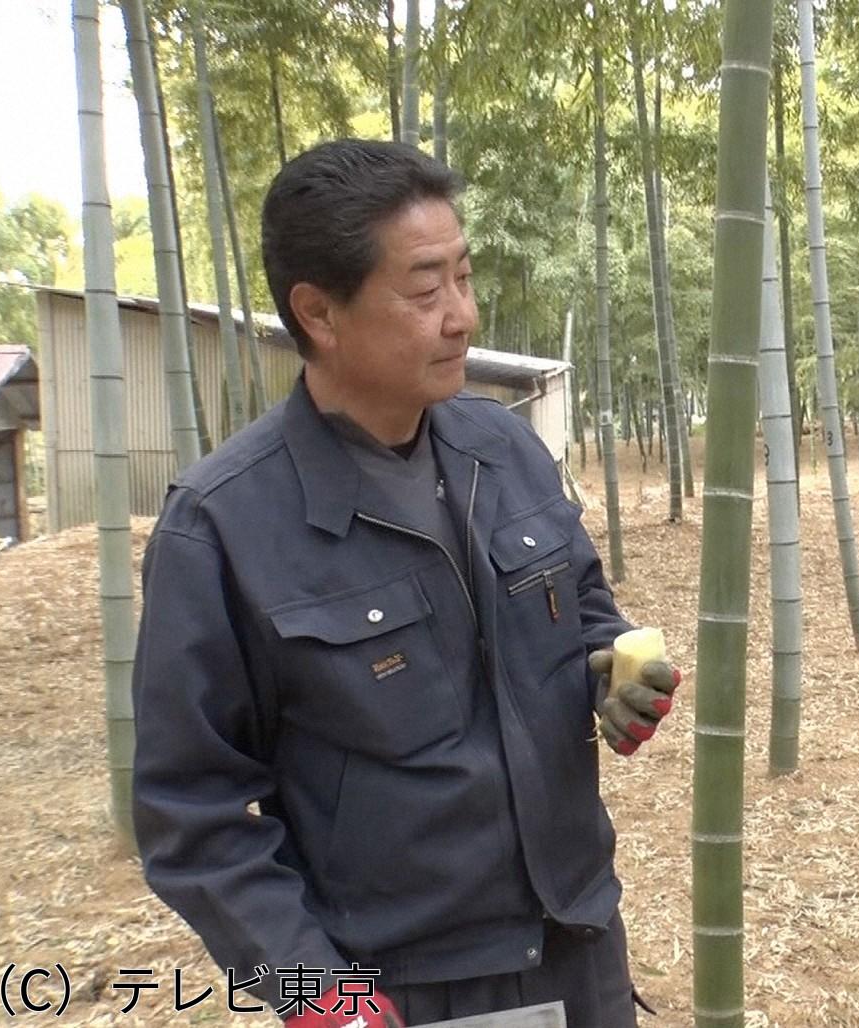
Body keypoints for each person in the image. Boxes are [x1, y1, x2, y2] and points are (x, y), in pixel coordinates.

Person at [132, 139, 677, 1028]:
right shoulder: (223, 527)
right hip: (399, 988)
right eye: (426, 290)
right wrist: (313, 990)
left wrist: (612, 673)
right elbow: (189, 811)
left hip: (577, 942)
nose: (460, 315)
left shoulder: (501, 450)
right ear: (319, 312)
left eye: (463, 277)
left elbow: (581, 614)